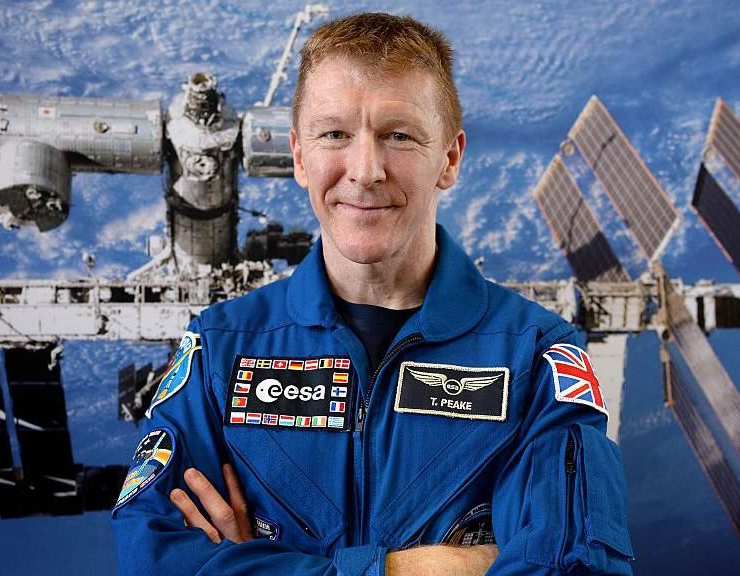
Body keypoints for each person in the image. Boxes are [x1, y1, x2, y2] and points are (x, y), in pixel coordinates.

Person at [111, 12, 633, 576]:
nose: (365, 170)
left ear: (449, 159)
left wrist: (251, 565)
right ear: (300, 157)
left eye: (399, 135)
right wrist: (422, 568)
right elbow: (152, 556)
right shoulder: (219, 351)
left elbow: (576, 568)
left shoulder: (535, 358)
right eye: (335, 134)